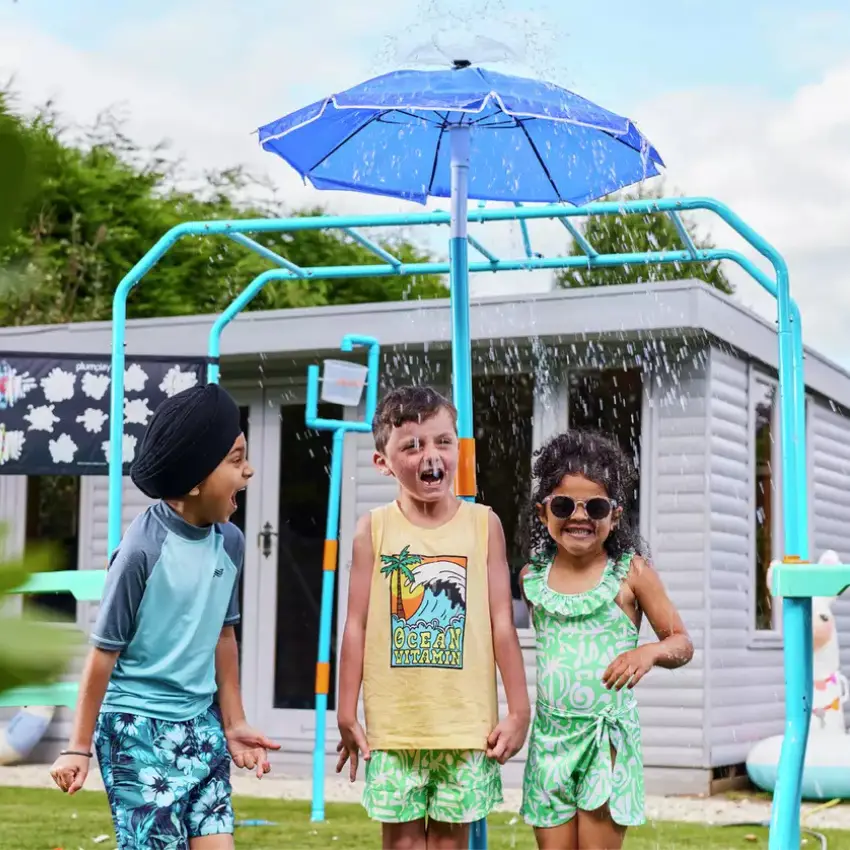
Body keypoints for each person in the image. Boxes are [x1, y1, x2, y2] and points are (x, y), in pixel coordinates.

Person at [49, 383, 279, 850]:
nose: (249, 471)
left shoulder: (229, 542)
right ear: (194, 481)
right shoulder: (141, 551)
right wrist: (78, 745)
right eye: (235, 460)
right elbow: (103, 656)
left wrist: (233, 723)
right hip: (137, 729)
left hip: (200, 723)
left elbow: (223, 636)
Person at [336, 385, 530, 850]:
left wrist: (519, 709)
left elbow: (502, 624)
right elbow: (356, 626)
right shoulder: (374, 529)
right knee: (402, 844)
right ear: (383, 462)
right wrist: (346, 708)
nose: (431, 455)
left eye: (443, 441)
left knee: (450, 843)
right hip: (396, 726)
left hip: (465, 727)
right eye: (412, 445)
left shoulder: (485, 525)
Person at [520, 430, 693, 850]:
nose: (579, 516)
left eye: (594, 506)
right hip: (549, 740)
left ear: (614, 515)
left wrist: (650, 650)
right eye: (564, 505)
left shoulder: (631, 574)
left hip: (605, 740)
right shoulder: (531, 578)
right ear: (544, 513)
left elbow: (681, 642)